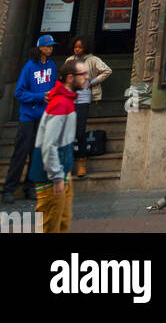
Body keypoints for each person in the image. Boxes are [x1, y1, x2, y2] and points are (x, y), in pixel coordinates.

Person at [28, 56, 88, 233]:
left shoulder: (67, 101)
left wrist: (66, 169)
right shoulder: (60, 104)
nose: (86, 78)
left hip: (61, 173)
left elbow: (63, 142)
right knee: (50, 225)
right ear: (70, 77)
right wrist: (56, 176)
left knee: (62, 223)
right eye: (82, 74)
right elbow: (49, 144)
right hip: (50, 177)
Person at [1, 35, 57, 204]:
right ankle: (9, 189)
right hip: (28, 117)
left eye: (52, 46)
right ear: (40, 48)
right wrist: (40, 96)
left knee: (37, 154)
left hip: (44, 117)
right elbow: (19, 93)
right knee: (21, 153)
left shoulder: (52, 66)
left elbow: (53, 88)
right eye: (47, 46)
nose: (50, 49)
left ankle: (30, 187)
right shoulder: (29, 67)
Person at [70, 37, 112, 179]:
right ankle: (68, 164)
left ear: (85, 48)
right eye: (75, 47)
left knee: (80, 132)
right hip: (70, 98)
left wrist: (92, 82)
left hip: (83, 99)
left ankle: (82, 162)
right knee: (69, 132)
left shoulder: (92, 60)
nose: (77, 49)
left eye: (80, 47)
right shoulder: (70, 60)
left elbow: (107, 71)